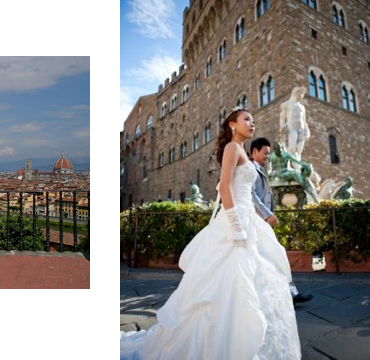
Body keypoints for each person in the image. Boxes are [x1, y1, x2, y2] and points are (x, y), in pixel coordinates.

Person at [120, 108, 301, 359]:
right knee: (231, 281)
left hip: (248, 220)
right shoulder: (232, 149)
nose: (253, 124)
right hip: (235, 223)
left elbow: (245, 193)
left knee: (258, 278)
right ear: (232, 125)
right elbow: (225, 187)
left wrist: (262, 217)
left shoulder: (244, 155)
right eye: (247, 119)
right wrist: (236, 226)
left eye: (254, 120)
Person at [250, 137, 313, 305]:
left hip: (261, 223)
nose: (267, 157)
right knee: (275, 256)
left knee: (274, 257)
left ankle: (289, 293)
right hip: (257, 222)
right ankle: (287, 294)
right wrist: (267, 215)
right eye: (265, 153)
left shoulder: (259, 169)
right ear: (254, 151)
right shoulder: (250, 169)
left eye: (269, 154)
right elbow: (251, 195)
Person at [279, 86, 310, 168]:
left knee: (299, 151)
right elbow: (282, 117)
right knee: (292, 147)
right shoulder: (286, 104)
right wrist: (282, 127)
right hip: (291, 127)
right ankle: (285, 165)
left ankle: (297, 168)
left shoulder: (302, 107)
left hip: (302, 129)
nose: (302, 96)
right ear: (296, 93)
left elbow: (304, 121)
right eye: (301, 94)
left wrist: (307, 131)